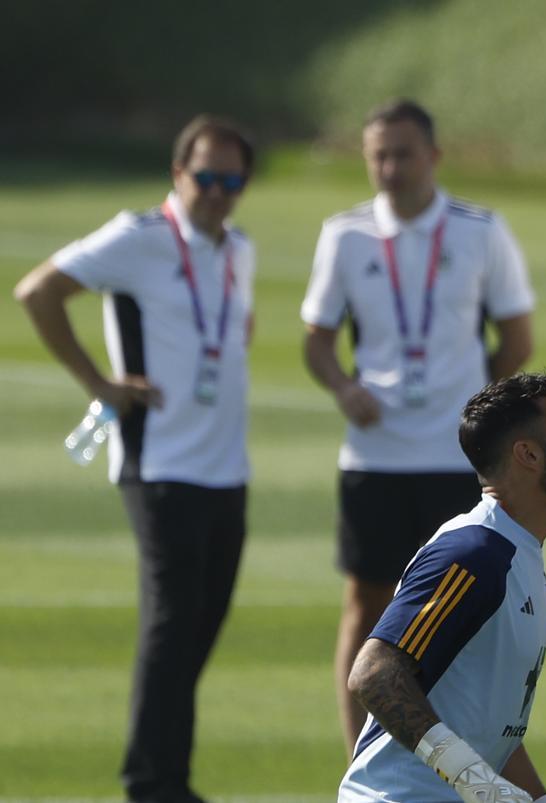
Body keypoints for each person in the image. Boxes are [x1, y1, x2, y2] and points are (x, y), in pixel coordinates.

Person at [13, 115, 257, 803]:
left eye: (230, 179)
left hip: (227, 468)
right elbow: (38, 291)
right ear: (178, 174)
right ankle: (155, 784)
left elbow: (235, 331)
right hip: (161, 465)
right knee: (173, 624)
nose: (216, 190)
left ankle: (161, 774)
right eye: (204, 176)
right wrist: (99, 383)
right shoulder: (140, 237)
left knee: (199, 625)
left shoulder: (239, 247)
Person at [300, 98, 536, 756]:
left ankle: (457, 752)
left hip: (455, 459)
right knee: (366, 602)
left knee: (460, 612)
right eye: (378, 154)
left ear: (433, 156)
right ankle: (360, 758)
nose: (390, 167)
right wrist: (345, 386)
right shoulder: (344, 234)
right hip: (373, 455)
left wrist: (475, 408)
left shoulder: (480, 229)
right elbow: (317, 339)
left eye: (403, 153)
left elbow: (517, 336)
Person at [337, 371, 546, 802]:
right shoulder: (475, 553)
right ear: (528, 454)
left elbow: (494, 732)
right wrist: (476, 781)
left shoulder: (518, 554)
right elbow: (374, 675)